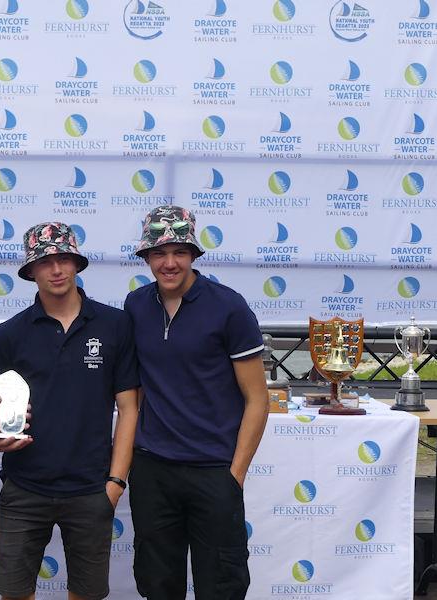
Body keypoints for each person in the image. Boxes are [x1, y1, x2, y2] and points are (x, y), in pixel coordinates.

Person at [0, 221, 139, 600]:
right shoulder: (12, 332)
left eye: (65, 259)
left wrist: (115, 484)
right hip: (23, 487)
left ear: (77, 265)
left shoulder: (115, 325)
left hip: (90, 489)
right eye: (46, 261)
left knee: (87, 594)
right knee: (14, 593)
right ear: (31, 270)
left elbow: (129, 409)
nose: (56, 269)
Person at [124, 205, 268, 600]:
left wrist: (233, 476)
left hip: (214, 471)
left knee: (221, 586)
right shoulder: (135, 305)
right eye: (158, 253)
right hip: (153, 470)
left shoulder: (228, 306)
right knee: (156, 585)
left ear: (193, 255)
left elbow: (258, 399)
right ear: (146, 257)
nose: (169, 263)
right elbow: (132, 391)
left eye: (179, 252)